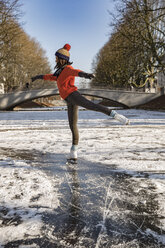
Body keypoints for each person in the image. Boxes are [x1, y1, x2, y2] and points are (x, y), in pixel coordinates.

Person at [31, 43, 130, 162]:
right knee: (72, 125)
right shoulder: (59, 72)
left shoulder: (67, 69)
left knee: (92, 106)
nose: (55, 59)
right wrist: (37, 77)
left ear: (62, 59)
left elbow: (76, 72)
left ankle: (117, 116)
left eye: (57, 57)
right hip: (69, 100)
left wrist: (86, 75)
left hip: (73, 95)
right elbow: (49, 76)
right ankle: (73, 152)